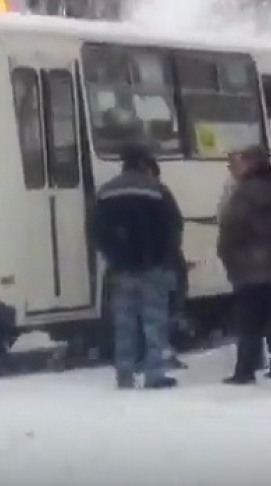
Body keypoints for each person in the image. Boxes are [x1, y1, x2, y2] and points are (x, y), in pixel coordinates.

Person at [92, 144, 180, 389]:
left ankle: (125, 375)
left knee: (124, 325)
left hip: (120, 269)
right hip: (153, 267)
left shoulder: (106, 192)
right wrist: (163, 257)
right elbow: (173, 227)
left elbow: (96, 232)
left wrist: (114, 255)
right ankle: (154, 374)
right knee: (154, 323)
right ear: (146, 166)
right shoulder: (158, 191)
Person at [217, 145, 271, 385]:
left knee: (249, 320)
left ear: (250, 163)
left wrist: (228, 256)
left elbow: (232, 228)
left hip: (248, 267)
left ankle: (245, 370)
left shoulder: (243, 193)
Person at [146, 157, 189, 370]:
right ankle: (163, 354)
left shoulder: (118, 193)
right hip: (164, 263)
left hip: (135, 264)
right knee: (164, 311)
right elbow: (175, 225)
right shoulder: (161, 194)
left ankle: (146, 356)